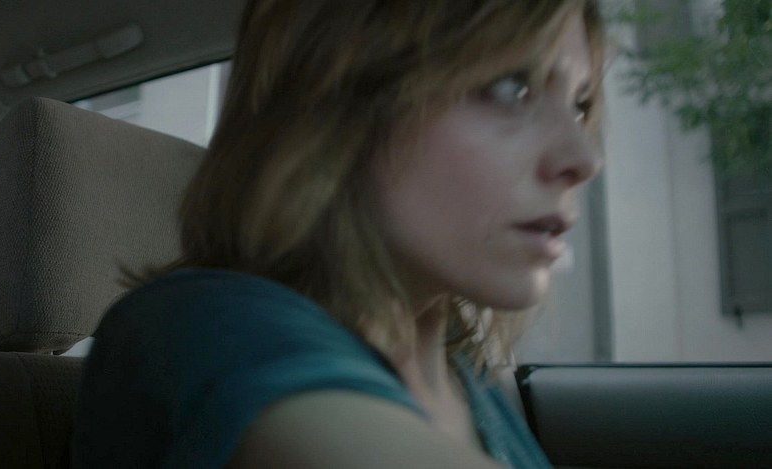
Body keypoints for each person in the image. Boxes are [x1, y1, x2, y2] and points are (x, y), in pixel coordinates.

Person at [73, 0, 605, 467]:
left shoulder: (457, 369)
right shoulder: (203, 330)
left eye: (579, 104)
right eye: (512, 88)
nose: (584, 158)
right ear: (338, 102)